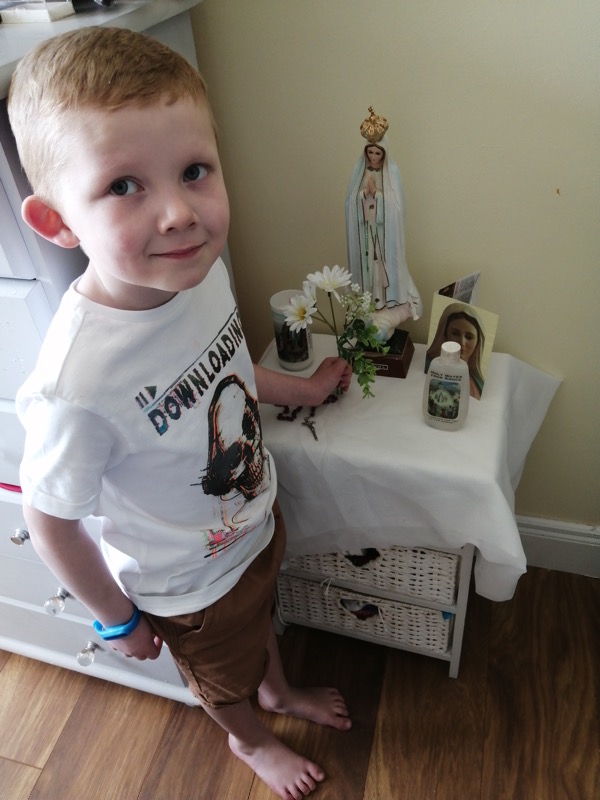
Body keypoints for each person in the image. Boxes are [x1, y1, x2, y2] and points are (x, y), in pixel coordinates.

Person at [8, 26, 352, 800]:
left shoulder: (196, 275)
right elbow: (50, 518)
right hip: (186, 590)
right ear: (57, 221)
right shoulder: (77, 384)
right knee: (221, 677)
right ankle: (250, 739)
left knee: (262, 620)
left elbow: (226, 370)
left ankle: (278, 689)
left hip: (253, 521)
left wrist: (302, 391)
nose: (178, 213)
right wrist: (114, 618)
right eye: (124, 185)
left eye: (194, 171)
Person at [345, 107, 423, 330]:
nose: (373, 157)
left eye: (377, 153)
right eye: (370, 152)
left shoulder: (392, 173)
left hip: (383, 234)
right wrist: (363, 195)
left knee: (381, 265)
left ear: (384, 153)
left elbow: (396, 207)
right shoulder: (360, 171)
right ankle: (369, 301)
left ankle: (386, 302)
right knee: (368, 266)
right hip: (365, 231)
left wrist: (377, 196)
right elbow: (350, 202)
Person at [425, 302, 485, 399]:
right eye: (455, 333)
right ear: (445, 334)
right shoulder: (431, 367)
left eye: (469, 337)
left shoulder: (477, 383)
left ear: (478, 342)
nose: (461, 342)